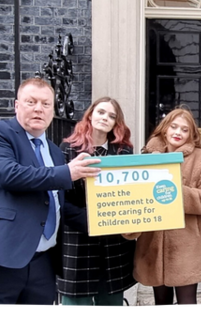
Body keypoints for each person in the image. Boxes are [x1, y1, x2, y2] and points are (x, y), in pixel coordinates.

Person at [0, 77, 101, 307]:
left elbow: (56, 204)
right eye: (31, 102)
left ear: (53, 110)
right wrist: (67, 172)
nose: (39, 109)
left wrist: (108, 220)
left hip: (42, 266)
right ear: (17, 105)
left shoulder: (55, 153)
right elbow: (9, 175)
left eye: (46, 104)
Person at [123, 107, 201, 307]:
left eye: (184, 130)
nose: (178, 133)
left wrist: (175, 191)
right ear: (165, 129)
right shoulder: (147, 157)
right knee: (161, 302)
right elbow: (134, 197)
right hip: (152, 244)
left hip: (186, 247)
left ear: (191, 134)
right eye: (174, 127)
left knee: (187, 302)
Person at [57, 97, 137, 308]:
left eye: (112, 116)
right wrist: (89, 220)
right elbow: (59, 197)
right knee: (76, 301)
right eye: (101, 112)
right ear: (90, 115)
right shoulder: (68, 148)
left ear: (116, 123)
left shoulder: (124, 152)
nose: (105, 118)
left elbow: (133, 193)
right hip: (78, 236)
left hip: (113, 240)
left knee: (111, 300)